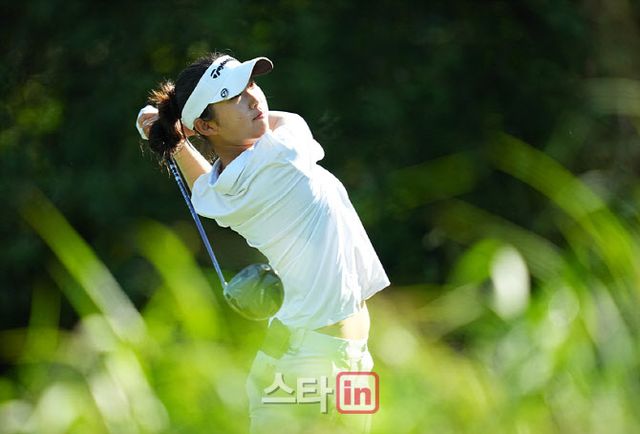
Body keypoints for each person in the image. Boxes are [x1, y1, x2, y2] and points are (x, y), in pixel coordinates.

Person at [135, 52, 390, 433]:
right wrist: (174, 130)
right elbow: (284, 121)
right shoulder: (283, 154)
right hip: (311, 365)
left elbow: (203, 183)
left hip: (340, 358)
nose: (254, 99)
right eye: (234, 96)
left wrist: (177, 137)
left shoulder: (218, 194)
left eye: (251, 84)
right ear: (206, 124)